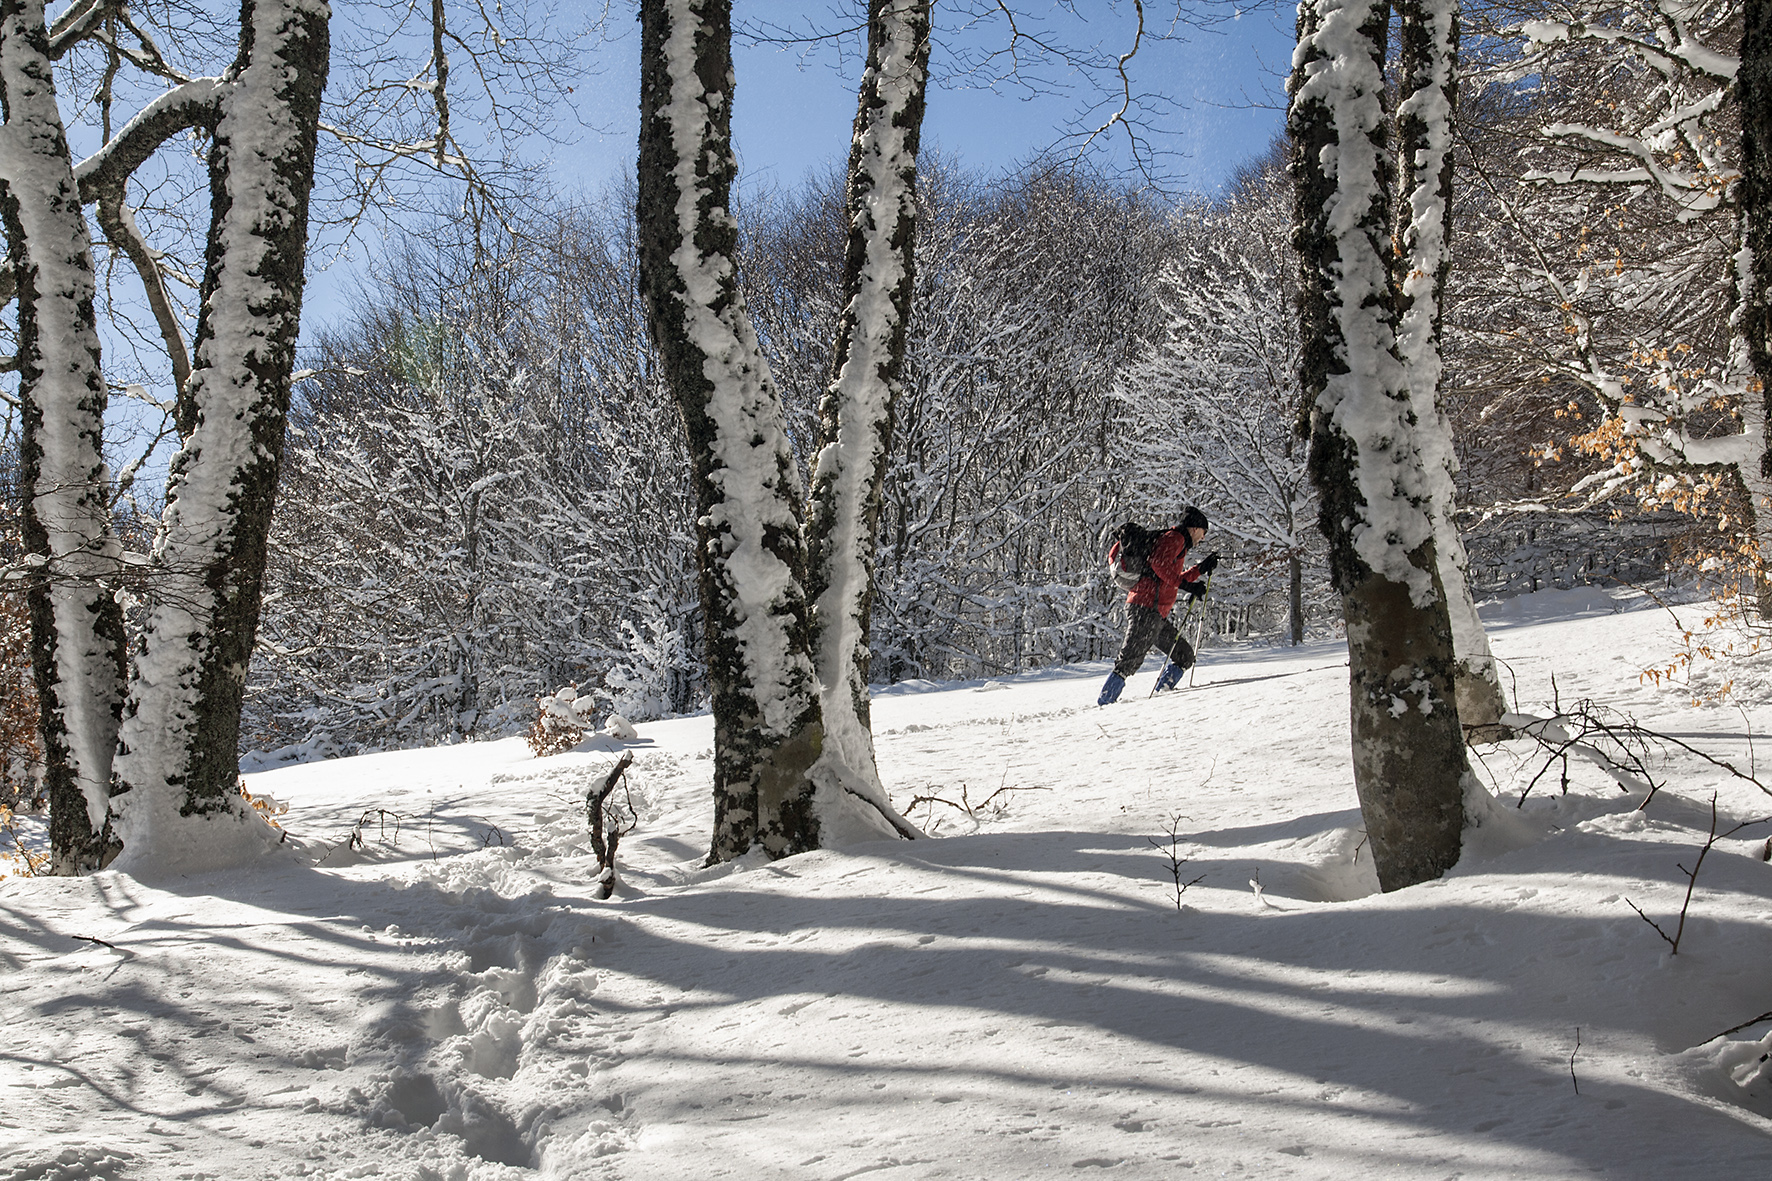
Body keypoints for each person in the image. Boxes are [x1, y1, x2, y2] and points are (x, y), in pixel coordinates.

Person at [1098, 506, 1219, 705]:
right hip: (1145, 607)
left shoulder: (1177, 543)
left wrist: (1200, 569)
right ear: (1195, 528)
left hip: (1156, 611)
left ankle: (1163, 697)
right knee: (1129, 659)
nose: (1202, 538)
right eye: (1203, 533)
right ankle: (1105, 703)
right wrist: (1187, 585)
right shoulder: (1175, 539)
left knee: (1184, 655)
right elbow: (1158, 565)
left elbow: (1170, 578)